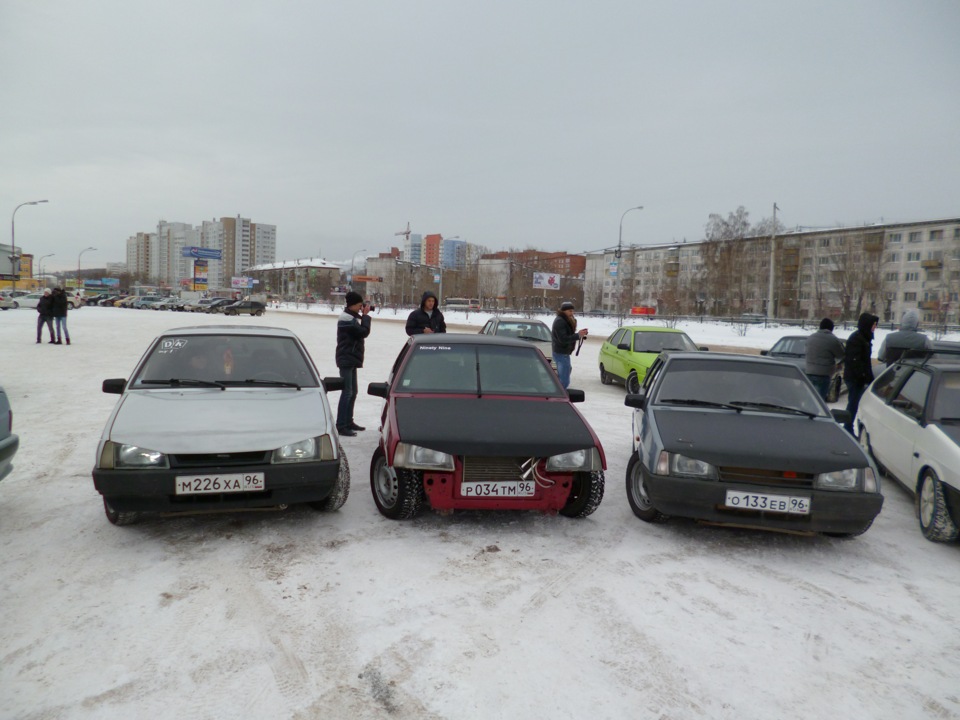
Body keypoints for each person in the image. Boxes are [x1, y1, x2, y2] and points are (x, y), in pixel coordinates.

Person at [335, 291, 372, 437]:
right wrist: (366, 316)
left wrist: (363, 315)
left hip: (351, 358)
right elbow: (363, 332)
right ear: (352, 305)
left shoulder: (351, 317)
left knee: (353, 392)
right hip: (346, 359)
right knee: (347, 392)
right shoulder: (346, 319)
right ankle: (341, 425)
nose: (360, 308)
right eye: (359, 305)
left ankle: (348, 421)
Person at [842, 311, 879, 435]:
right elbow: (854, 361)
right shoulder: (857, 339)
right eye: (874, 325)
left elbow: (866, 362)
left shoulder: (865, 337)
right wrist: (863, 377)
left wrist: (870, 378)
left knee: (856, 403)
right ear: (867, 325)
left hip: (860, 379)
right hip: (854, 379)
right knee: (853, 404)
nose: (875, 327)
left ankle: (849, 426)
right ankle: (847, 427)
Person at [804, 318, 845, 401]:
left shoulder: (810, 338)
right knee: (820, 401)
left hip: (809, 372)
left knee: (809, 399)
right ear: (831, 328)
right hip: (824, 374)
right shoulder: (833, 340)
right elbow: (841, 354)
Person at [551, 301, 588, 389]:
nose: (572, 313)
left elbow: (567, 335)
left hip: (562, 352)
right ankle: (560, 396)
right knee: (564, 381)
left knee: (564, 377)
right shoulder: (560, 321)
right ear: (563, 311)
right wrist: (578, 335)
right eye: (570, 311)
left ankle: (559, 394)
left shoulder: (564, 320)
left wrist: (579, 334)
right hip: (561, 353)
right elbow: (563, 339)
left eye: (572, 311)